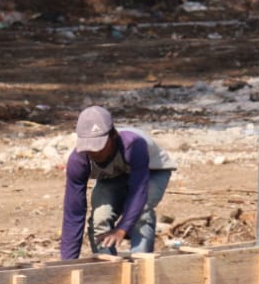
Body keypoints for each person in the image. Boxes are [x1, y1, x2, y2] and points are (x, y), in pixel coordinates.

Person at [60, 105, 174, 260]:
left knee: (141, 213)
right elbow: (73, 214)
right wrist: (68, 264)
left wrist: (122, 228)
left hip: (152, 170)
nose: (94, 153)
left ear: (112, 135)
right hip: (113, 175)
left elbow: (138, 191)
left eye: (98, 146)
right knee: (100, 218)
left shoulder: (134, 145)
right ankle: (107, 269)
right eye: (89, 148)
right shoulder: (78, 161)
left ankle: (141, 269)